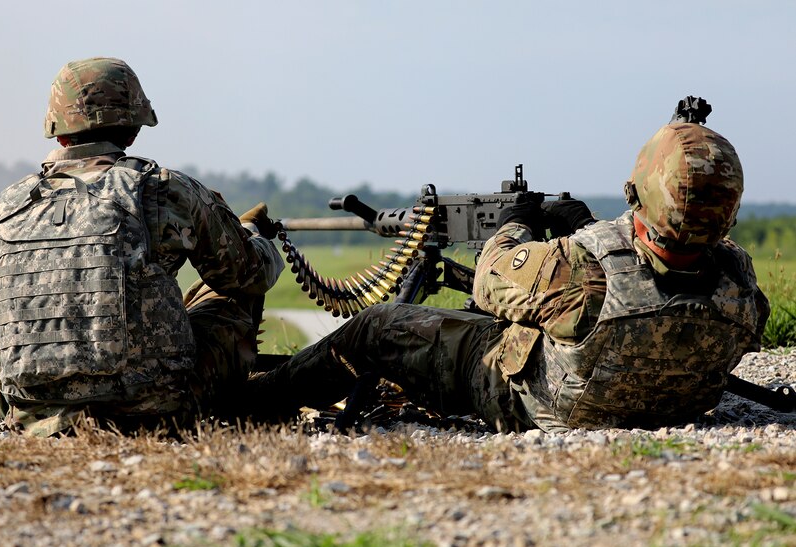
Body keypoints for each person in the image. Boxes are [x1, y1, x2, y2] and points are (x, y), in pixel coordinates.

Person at [245, 113, 770, 432]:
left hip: (539, 403)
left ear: (639, 188)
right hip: (667, 405)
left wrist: (515, 225)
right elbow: (657, 298)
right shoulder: (738, 280)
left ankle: (257, 400)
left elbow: (490, 279)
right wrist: (587, 227)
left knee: (377, 325)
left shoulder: (581, 270)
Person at [0, 57, 284, 436]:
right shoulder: (164, 189)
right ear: (133, 129)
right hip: (154, 412)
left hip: (34, 416)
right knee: (227, 301)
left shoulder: (4, 207)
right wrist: (257, 238)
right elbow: (248, 276)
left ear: (58, 133)